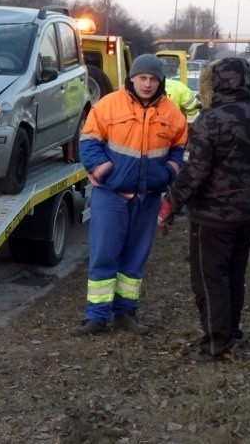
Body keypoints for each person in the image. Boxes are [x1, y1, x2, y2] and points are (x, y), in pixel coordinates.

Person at [157, 57, 250, 362]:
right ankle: (231, 331)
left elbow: (193, 174)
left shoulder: (211, 121)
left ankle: (216, 344)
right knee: (234, 273)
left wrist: (169, 206)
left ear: (216, 82)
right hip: (249, 210)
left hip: (214, 215)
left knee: (210, 280)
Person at [72, 54, 188, 336]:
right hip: (111, 195)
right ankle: (97, 316)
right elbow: (88, 140)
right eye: (142, 78)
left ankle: (126, 312)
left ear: (160, 81)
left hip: (148, 198)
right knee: (104, 255)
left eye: (153, 79)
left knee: (135, 259)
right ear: (132, 78)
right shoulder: (109, 105)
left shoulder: (172, 113)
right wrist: (102, 169)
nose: (147, 84)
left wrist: (167, 173)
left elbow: (179, 148)